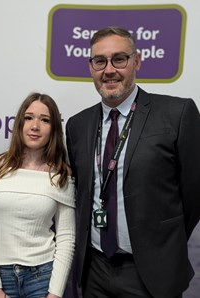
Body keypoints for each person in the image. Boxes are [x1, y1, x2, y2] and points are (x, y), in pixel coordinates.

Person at [66, 26, 200, 298]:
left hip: (151, 272)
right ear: (91, 67)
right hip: (94, 271)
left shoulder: (177, 113)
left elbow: (193, 194)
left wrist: (162, 242)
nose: (109, 70)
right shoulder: (77, 125)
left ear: (136, 61)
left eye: (119, 59)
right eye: (99, 61)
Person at [0, 93, 76, 298]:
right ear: (20, 122)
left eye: (44, 120)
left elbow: (66, 237)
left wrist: (54, 294)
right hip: (0, 278)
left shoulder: (61, 173)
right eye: (29, 117)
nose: (35, 126)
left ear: (53, 129)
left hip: (43, 278)